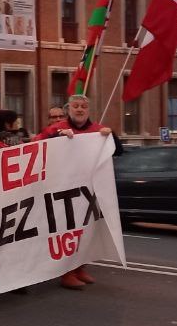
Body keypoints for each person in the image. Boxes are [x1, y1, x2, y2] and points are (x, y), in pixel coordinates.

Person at [33, 93, 121, 290]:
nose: (80, 109)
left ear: (88, 110)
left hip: (89, 191)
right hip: (64, 190)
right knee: (68, 232)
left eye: (83, 106)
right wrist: (58, 138)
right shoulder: (56, 129)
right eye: (75, 106)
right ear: (69, 110)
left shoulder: (98, 130)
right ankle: (67, 273)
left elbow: (119, 151)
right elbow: (36, 146)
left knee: (87, 232)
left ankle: (80, 267)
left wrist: (112, 136)